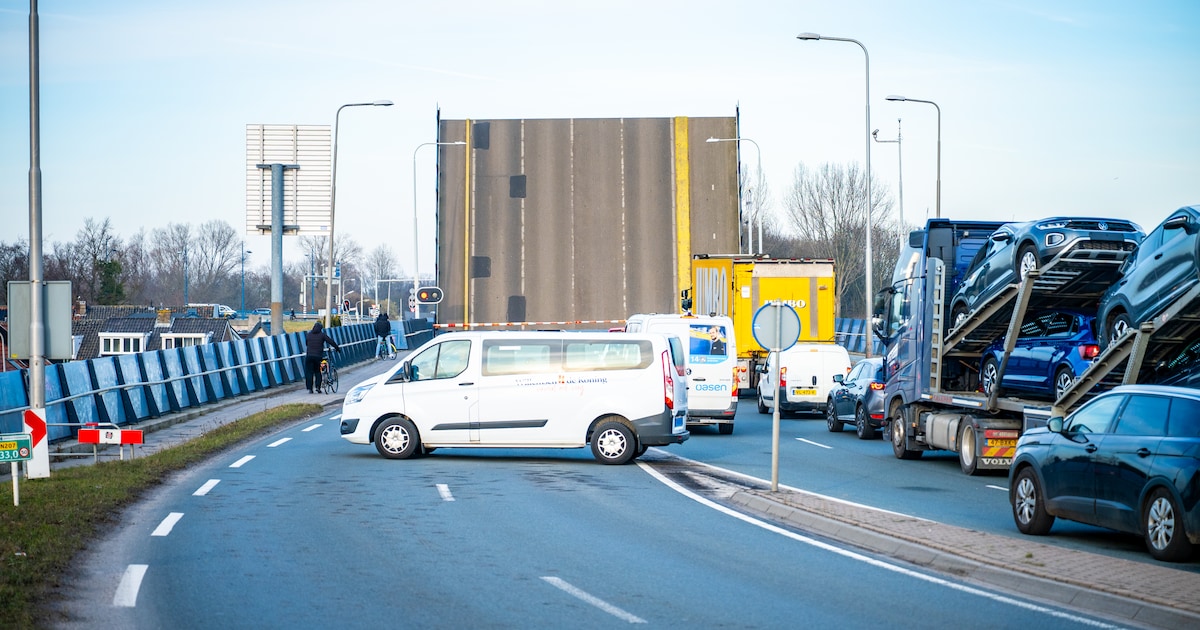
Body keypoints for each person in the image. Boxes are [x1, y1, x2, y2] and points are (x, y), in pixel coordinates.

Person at [305, 321, 341, 393]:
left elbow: (306, 343)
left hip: (309, 356)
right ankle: (318, 387)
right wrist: (337, 348)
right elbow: (331, 341)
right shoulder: (322, 335)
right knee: (318, 372)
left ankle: (310, 389)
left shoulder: (309, 335)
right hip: (318, 356)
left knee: (309, 372)